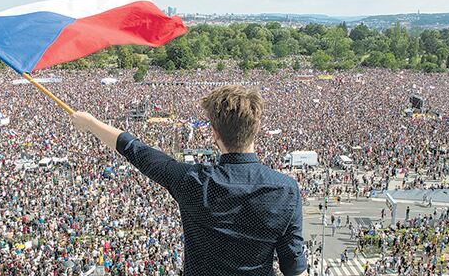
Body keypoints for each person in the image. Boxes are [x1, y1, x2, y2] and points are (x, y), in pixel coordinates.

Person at [71, 85, 308, 276]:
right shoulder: (286, 190)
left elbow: (137, 150)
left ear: (214, 133)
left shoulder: (193, 182)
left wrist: (91, 123)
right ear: (256, 128)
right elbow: (294, 268)